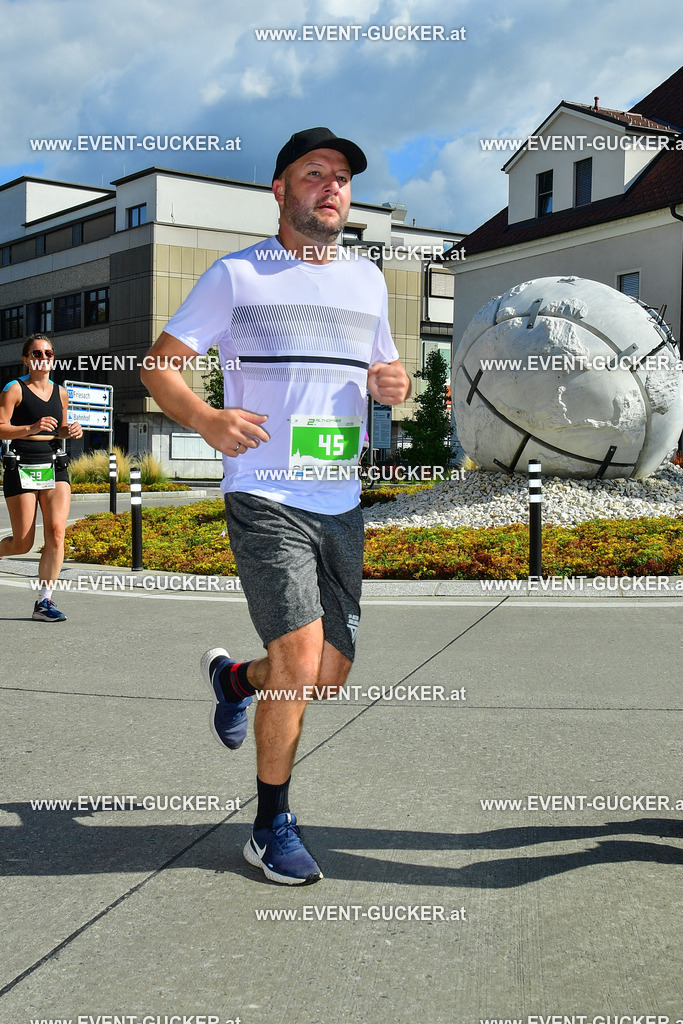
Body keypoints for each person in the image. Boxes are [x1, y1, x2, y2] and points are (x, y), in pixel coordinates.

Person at [141, 127, 411, 885]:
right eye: (314, 173)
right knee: (296, 663)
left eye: (342, 178)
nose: (332, 187)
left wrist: (394, 383)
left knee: (323, 677)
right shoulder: (237, 275)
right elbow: (159, 367)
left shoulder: (366, 280)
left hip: (339, 497)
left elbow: (386, 370)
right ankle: (270, 826)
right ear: (280, 189)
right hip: (264, 491)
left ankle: (235, 681)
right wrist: (206, 420)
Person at [0, 334, 83, 621]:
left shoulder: (61, 393)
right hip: (22, 463)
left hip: (54, 464)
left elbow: (58, 430)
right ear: (26, 359)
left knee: (57, 532)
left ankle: (44, 602)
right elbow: (1, 427)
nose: (43, 358)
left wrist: (71, 431)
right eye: (37, 353)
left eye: (48, 353)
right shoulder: (14, 388)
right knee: (23, 543)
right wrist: (31, 427)